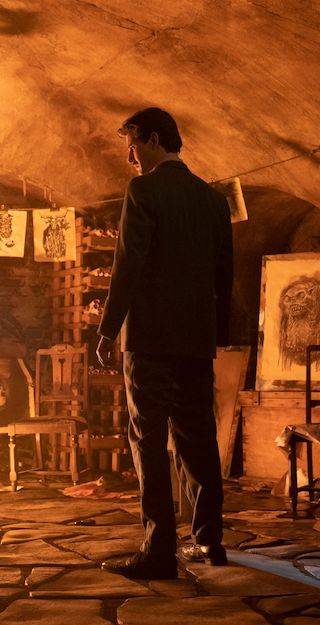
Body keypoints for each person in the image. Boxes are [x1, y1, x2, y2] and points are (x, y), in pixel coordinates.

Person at [96, 107, 234, 580]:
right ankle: (209, 541)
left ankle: (158, 549)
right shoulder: (214, 201)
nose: (129, 156)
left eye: (131, 144)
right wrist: (219, 334)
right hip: (196, 338)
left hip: (150, 336)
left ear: (154, 140)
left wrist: (109, 328)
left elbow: (128, 264)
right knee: (198, 436)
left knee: (147, 437)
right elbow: (224, 274)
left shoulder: (144, 190)